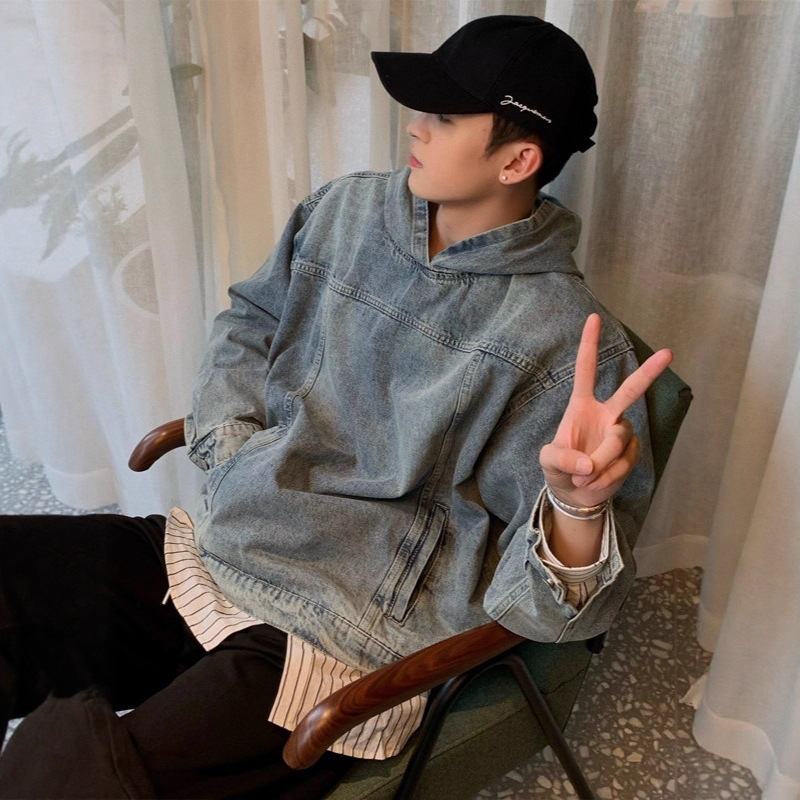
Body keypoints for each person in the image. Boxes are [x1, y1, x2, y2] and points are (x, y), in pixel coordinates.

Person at [0, 14, 672, 800]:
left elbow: (563, 614)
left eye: (443, 116)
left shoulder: (565, 341)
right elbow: (249, 324)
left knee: (80, 784)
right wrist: (230, 447)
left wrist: (576, 507)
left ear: (518, 159)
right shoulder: (343, 212)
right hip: (222, 547)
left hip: (335, 635)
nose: (414, 126)